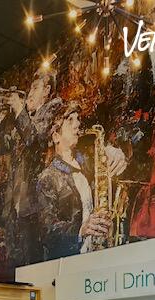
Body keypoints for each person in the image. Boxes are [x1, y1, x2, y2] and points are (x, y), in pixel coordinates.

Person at [37, 102, 127, 260]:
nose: (77, 124)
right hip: (71, 261)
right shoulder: (48, 177)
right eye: (70, 120)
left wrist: (116, 152)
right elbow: (48, 232)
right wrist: (81, 229)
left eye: (78, 118)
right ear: (56, 136)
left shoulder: (89, 162)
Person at [0, 70, 62, 265]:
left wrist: (18, 109)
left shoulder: (52, 108)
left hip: (33, 202)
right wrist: (3, 120)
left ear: (46, 90)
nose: (29, 93)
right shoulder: (24, 117)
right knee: (14, 262)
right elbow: (1, 148)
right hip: (15, 201)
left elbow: (35, 140)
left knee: (32, 261)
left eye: (35, 88)